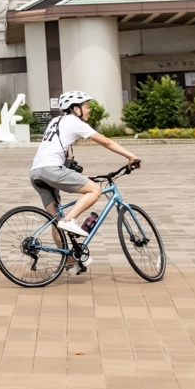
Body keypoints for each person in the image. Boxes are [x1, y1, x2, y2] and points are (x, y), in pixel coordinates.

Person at [30, 91, 140, 264]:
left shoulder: (55, 121)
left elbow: (60, 149)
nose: (88, 110)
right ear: (76, 109)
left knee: (55, 221)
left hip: (37, 172)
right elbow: (106, 141)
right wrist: (131, 157)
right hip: (51, 169)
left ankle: (70, 262)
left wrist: (71, 166)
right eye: (86, 106)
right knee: (95, 190)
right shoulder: (73, 121)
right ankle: (70, 220)